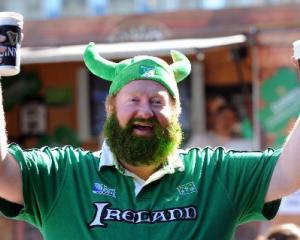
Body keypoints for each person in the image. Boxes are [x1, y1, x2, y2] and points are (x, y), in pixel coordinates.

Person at [0, 39, 300, 240]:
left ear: (176, 111)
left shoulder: (213, 173)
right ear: (110, 107)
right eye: (133, 100)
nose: (145, 111)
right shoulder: (62, 174)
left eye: (157, 102)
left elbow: (290, 173)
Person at [186, 96, 253, 150]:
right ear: (216, 118)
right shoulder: (200, 139)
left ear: (235, 121)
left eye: (230, 118)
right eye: (223, 117)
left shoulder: (240, 143)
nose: (226, 120)